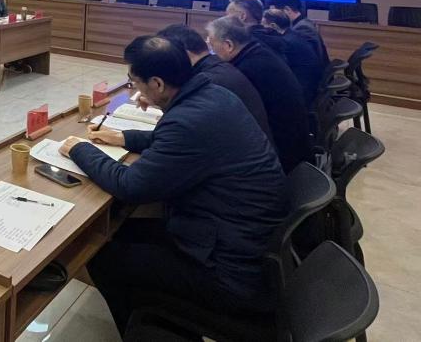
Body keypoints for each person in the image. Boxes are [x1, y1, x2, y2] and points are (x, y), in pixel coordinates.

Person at [59, 35, 287, 335]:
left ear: (156, 83)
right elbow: (175, 139)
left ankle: (148, 331)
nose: (135, 90)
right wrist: (124, 137)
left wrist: (79, 149)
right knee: (122, 230)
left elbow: (131, 185)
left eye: (134, 82)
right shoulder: (214, 94)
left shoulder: (189, 120)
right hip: (238, 236)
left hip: (226, 270)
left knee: (103, 256)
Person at [207, 16, 312, 172]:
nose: (209, 49)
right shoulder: (258, 53)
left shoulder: (247, 69)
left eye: (211, 43)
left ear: (228, 45)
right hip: (293, 144)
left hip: (281, 157)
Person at [158, 23, 273, 143]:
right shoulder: (217, 66)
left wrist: (161, 100)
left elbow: (178, 129)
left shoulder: (208, 81)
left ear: (184, 54)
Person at [263, 9, 323, 106]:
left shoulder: (285, 43)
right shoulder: (294, 35)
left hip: (302, 94)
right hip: (310, 87)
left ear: (273, 26)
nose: (262, 30)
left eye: (263, 25)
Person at [269, 0, 330, 65]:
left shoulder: (303, 28)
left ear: (287, 9)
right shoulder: (302, 23)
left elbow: (304, 59)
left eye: (276, 13)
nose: (274, 18)